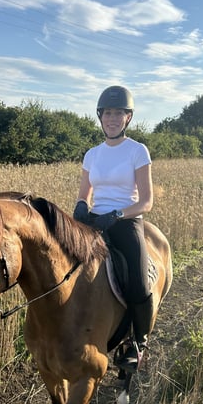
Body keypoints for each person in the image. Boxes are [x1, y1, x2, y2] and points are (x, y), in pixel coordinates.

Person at [73, 85, 153, 373]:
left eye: (119, 113)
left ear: (128, 118)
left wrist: (118, 214)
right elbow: (85, 193)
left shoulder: (137, 151)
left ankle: (137, 342)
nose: (112, 118)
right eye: (108, 113)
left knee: (139, 282)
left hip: (126, 221)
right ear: (100, 116)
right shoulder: (92, 154)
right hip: (94, 221)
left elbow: (146, 201)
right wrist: (82, 206)